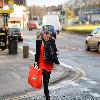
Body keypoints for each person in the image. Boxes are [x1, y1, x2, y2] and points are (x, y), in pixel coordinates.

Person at [35, 31, 60, 100]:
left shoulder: (51, 41)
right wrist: (35, 62)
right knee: (45, 75)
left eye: (48, 37)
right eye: (45, 37)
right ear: (43, 36)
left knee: (47, 78)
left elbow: (54, 50)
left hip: (49, 62)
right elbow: (37, 53)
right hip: (41, 62)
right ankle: (47, 94)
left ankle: (45, 89)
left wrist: (56, 52)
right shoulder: (39, 42)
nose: (47, 38)